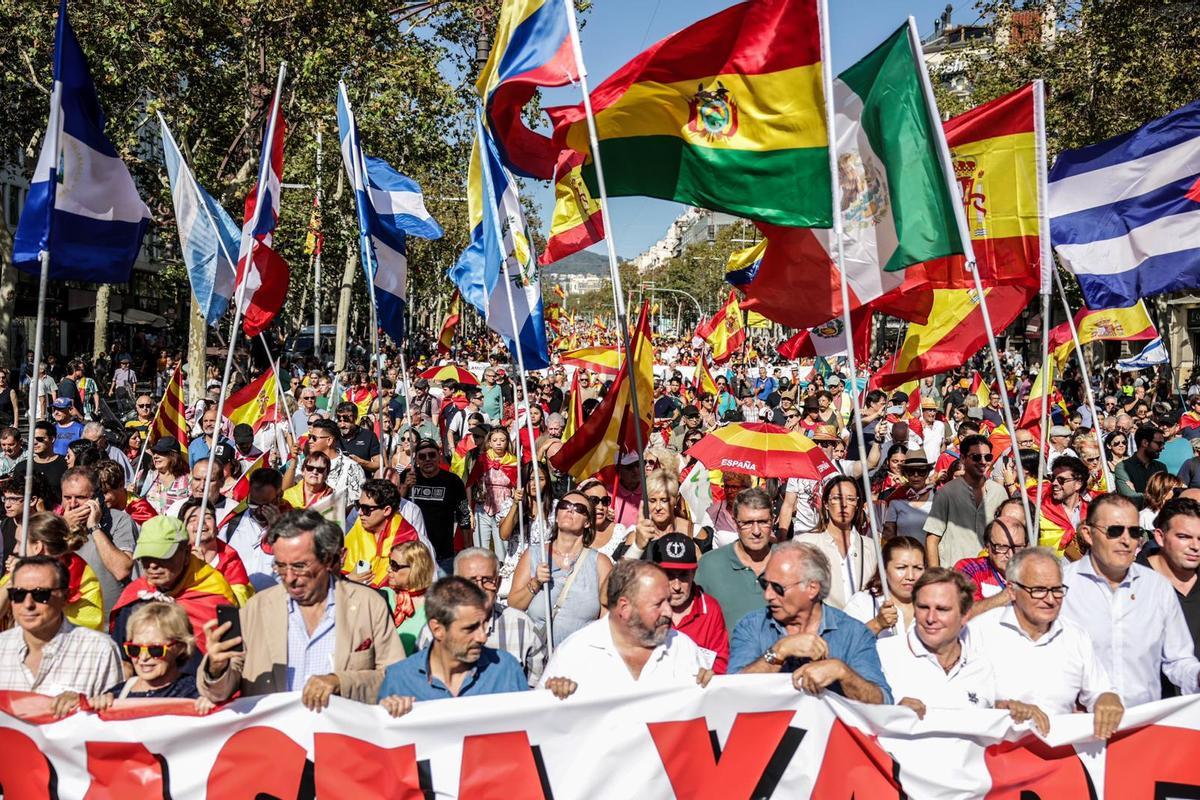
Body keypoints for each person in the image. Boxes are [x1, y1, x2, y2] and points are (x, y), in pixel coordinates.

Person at [199, 509, 406, 708]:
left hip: (340, 738)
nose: (289, 578)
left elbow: (396, 678)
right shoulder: (257, 608)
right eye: (280, 566)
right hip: (274, 739)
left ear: (327, 559)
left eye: (299, 566)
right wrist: (217, 669)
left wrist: (341, 683)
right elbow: (218, 692)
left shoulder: (368, 605)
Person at [969, 547, 1125, 740]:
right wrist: (1002, 708)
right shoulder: (980, 632)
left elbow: (1100, 691)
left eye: (1057, 590)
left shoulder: (1075, 636)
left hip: (1059, 761)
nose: (1050, 599)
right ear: (1012, 590)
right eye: (1039, 590)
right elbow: (961, 701)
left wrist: (1107, 699)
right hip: (994, 759)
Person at [1061, 493, 1200, 705]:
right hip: (1083, 725)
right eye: (1115, 531)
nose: (1126, 541)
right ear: (1088, 534)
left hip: (1143, 725)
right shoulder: (1063, 586)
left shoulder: (1157, 587)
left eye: (1134, 532)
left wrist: (1196, 676)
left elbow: (1178, 659)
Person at [727, 542, 891, 704]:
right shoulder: (752, 626)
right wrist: (778, 651)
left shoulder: (853, 633)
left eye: (777, 587)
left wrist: (842, 672)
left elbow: (882, 702)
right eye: (765, 584)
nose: (768, 595)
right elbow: (731, 692)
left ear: (812, 588)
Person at [538, 560, 714, 693]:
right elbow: (542, 726)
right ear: (625, 608)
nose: (669, 612)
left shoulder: (683, 648)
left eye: (668, 601)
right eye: (658, 604)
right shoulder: (574, 653)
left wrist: (710, 690)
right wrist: (554, 700)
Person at [377, 577, 528, 714]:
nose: (483, 637)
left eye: (484, 624)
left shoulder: (505, 669)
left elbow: (531, 730)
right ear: (437, 630)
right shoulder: (399, 680)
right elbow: (383, 740)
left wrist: (551, 698)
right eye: (470, 628)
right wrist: (388, 715)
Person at [0, 556, 123, 708]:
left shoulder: (99, 650)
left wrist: (84, 704)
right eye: (18, 594)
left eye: (40, 594)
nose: (28, 604)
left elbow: (114, 721)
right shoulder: (2, 647)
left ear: (65, 597)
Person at [109, 516, 238, 659]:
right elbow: (120, 657)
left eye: (162, 556)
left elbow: (232, 658)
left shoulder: (215, 594)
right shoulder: (135, 596)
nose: (152, 565)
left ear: (187, 553)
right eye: (145, 557)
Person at [416, 548, 547, 686]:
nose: (479, 588)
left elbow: (537, 689)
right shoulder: (434, 632)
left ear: (499, 583)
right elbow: (420, 685)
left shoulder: (522, 626)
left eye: (488, 580)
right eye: (470, 581)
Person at [877, 568, 998, 717]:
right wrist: (890, 713)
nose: (931, 618)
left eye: (942, 609)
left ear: (965, 615)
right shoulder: (883, 654)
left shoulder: (981, 667)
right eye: (923, 607)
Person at [509, 491, 613, 647]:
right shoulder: (534, 554)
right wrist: (535, 583)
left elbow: (607, 619)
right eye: (564, 506)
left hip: (579, 657)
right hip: (537, 656)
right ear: (556, 516)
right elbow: (514, 605)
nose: (570, 510)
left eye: (579, 508)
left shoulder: (601, 563)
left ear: (588, 522)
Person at [88, 602, 213, 711]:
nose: (143, 658)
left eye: (155, 650)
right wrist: (95, 707)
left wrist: (214, 710)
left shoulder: (197, 694)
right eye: (134, 649)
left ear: (180, 648)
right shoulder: (115, 695)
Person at [0, 512, 103, 631]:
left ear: (37, 547)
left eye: (19, 543)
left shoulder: (82, 576)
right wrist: (13, 580)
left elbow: (86, 631)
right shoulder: (21, 570)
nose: (15, 549)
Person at [1140, 497, 1200, 697]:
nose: (1195, 546)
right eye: (1184, 537)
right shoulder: (1130, 582)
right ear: (1159, 536)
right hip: (1149, 713)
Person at [59, 467, 136, 621]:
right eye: (67, 497)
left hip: (109, 622)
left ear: (96, 498)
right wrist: (62, 528)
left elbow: (121, 570)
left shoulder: (119, 520)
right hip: (67, 623)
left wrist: (94, 527)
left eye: (80, 497)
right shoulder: (54, 524)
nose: (73, 504)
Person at [648, 532, 729, 673]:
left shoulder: (710, 609)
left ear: (694, 573)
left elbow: (720, 663)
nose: (677, 586)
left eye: (684, 575)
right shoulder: (644, 608)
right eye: (669, 575)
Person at [923, 434, 1008, 568]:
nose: (983, 461)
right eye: (976, 457)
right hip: (954, 575)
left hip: (989, 573)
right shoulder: (946, 493)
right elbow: (932, 538)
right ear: (962, 458)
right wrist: (935, 575)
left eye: (988, 457)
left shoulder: (999, 492)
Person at [696, 487, 773, 631]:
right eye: (747, 523)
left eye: (763, 522)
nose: (756, 531)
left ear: (772, 521)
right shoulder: (710, 565)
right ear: (735, 523)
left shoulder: (789, 562)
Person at [796, 476, 878, 610]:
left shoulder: (871, 546)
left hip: (863, 625)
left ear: (857, 505)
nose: (843, 504)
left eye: (851, 499)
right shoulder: (805, 543)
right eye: (837, 498)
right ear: (826, 504)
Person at [341, 478, 434, 587]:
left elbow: (428, 585)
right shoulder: (353, 534)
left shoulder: (415, 542)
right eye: (358, 505)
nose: (359, 512)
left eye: (366, 508)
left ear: (387, 510)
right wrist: (348, 579)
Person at [397, 437, 470, 573]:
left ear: (439, 457)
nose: (427, 459)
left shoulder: (452, 481)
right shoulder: (407, 476)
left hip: (443, 555)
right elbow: (394, 507)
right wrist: (405, 487)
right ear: (417, 460)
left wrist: (468, 549)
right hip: (412, 552)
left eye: (432, 455)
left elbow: (464, 516)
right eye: (422, 457)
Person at [843, 536, 925, 639]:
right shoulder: (863, 603)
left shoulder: (934, 606)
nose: (910, 576)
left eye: (918, 568)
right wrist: (877, 624)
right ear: (884, 569)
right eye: (901, 567)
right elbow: (842, 646)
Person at [178, 497, 253, 607]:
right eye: (192, 519)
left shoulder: (231, 563)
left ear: (217, 528)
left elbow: (236, 606)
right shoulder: (175, 561)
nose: (201, 523)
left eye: (207, 518)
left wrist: (203, 570)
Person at [955, 518, 1026, 618]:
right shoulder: (970, 568)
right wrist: (1009, 594)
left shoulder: (1035, 572)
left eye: (1017, 547)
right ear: (987, 546)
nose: (1010, 554)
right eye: (1001, 547)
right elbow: (966, 612)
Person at [472, 426, 518, 557]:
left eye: (502, 440)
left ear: (507, 442)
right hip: (483, 507)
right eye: (495, 440)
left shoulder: (513, 462)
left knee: (502, 549)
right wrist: (470, 511)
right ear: (489, 442)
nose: (498, 443)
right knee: (480, 549)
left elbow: (517, 485)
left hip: (504, 509)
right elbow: (470, 483)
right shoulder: (482, 460)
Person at [384, 540, 436, 655]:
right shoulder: (382, 596)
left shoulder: (434, 608)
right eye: (389, 563)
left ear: (415, 569)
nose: (388, 569)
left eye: (394, 565)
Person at [305, 418, 365, 504]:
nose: (310, 441)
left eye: (314, 438)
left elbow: (357, 504)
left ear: (329, 440)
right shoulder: (308, 464)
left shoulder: (351, 468)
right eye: (309, 437)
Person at [881, 453, 936, 542]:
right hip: (905, 554)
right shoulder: (896, 500)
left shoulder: (937, 498)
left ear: (927, 473)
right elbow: (888, 535)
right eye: (911, 472)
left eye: (921, 472)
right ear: (905, 474)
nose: (916, 475)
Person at [1114, 424, 1167, 508]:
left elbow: (1167, 497)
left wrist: (1140, 495)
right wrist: (1157, 497)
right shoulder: (1123, 468)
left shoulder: (1161, 468)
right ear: (1145, 443)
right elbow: (1131, 499)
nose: (1162, 447)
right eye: (1159, 443)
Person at [143, 437, 190, 515]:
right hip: (150, 526)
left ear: (173, 456)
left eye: (161, 452)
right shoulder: (144, 476)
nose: (155, 456)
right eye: (154, 452)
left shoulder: (189, 481)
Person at [335, 401, 382, 477]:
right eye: (339, 420)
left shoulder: (369, 436)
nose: (342, 425)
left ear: (355, 417)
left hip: (361, 485)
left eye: (346, 420)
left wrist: (360, 462)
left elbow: (379, 464)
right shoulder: (333, 435)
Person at [29, 419, 68, 489]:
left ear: (52, 439)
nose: (34, 442)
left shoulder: (66, 463)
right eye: (32, 438)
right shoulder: (23, 467)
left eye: (39, 439)